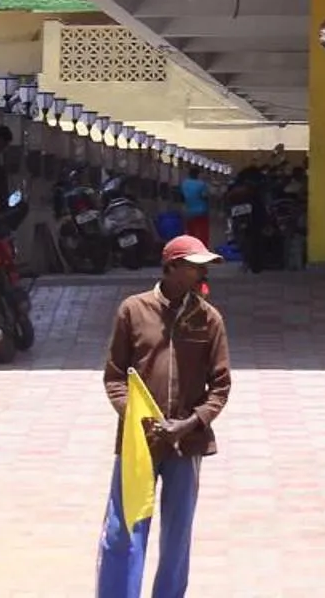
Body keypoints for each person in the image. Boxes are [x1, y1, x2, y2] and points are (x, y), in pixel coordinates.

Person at [98, 233, 230, 598]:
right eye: (194, 266)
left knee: (177, 535)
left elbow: (220, 388)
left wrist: (188, 424)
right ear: (170, 267)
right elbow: (114, 378)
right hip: (139, 443)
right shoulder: (133, 310)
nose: (202, 273)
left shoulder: (209, 320)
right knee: (123, 530)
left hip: (186, 444)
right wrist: (139, 421)